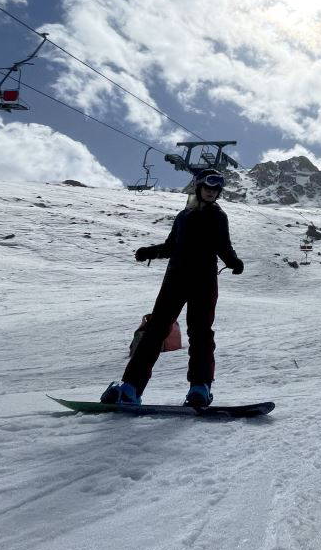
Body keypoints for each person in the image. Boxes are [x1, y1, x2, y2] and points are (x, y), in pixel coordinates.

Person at [101, 168, 243, 407]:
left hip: (204, 280)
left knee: (200, 332)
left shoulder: (219, 216)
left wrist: (233, 262)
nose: (211, 192)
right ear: (199, 187)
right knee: (155, 330)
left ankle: (200, 388)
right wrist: (151, 251)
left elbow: (223, 246)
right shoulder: (183, 216)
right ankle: (131, 388)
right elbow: (170, 246)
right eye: (208, 187)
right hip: (175, 279)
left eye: (216, 189)